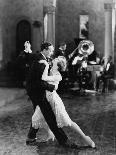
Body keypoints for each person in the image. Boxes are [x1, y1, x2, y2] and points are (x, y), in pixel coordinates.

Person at [32, 56, 95, 148]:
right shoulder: (50, 69)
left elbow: (44, 78)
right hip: (45, 99)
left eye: (55, 61)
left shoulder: (58, 76)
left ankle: (85, 138)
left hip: (53, 100)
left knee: (68, 122)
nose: (53, 60)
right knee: (37, 118)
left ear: (57, 66)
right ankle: (50, 134)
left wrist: (45, 65)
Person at [25, 42, 78, 148]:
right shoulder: (42, 61)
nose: (52, 52)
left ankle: (30, 137)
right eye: (51, 50)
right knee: (49, 117)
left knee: (38, 114)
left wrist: (28, 50)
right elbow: (40, 81)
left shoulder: (40, 57)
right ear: (45, 49)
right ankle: (64, 141)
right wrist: (53, 87)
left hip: (35, 91)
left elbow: (30, 58)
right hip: (37, 92)